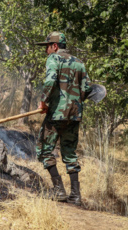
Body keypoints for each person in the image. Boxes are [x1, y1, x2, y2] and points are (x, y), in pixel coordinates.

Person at [35, 31, 92, 206]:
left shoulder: (54, 59)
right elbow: (88, 89)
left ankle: (59, 190)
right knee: (69, 152)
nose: (46, 51)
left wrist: (43, 101)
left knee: (44, 149)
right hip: (75, 114)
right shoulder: (79, 63)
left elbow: (50, 81)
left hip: (57, 113)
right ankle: (75, 195)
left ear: (54, 46)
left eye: (47, 47)